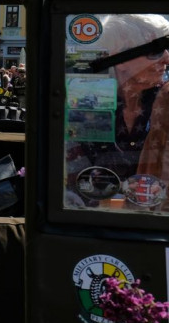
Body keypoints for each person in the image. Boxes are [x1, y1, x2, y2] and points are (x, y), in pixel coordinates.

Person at [67, 14, 169, 208]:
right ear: (119, 58)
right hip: (92, 220)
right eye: (156, 51)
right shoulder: (84, 100)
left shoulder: (166, 101)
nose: (167, 58)